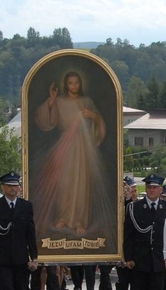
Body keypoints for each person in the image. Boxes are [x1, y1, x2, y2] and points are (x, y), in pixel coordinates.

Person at [32, 70, 113, 238]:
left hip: (83, 147)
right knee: (65, 182)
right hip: (65, 146)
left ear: (80, 84)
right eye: (71, 83)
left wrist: (94, 116)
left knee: (82, 183)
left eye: (77, 83)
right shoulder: (60, 101)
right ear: (66, 85)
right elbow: (46, 121)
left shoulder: (86, 101)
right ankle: (63, 217)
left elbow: (99, 124)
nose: (74, 86)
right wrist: (52, 100)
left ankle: (79, 221)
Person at [123, 173, 166, 290]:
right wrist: (129, 257)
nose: (151, 190)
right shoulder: (135, 207)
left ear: (160, 190)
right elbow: (129, 234)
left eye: (155, 187)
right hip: (140, 257)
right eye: (149, 187)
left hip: (159, 257)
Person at [114, 176, 138, 290]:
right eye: (130, 191)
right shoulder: (119, 208)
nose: (133, 193)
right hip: (122, 252)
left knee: (136, 287)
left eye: (134, 191)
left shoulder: (139, 206)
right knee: (123, 285)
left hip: (136, 252)